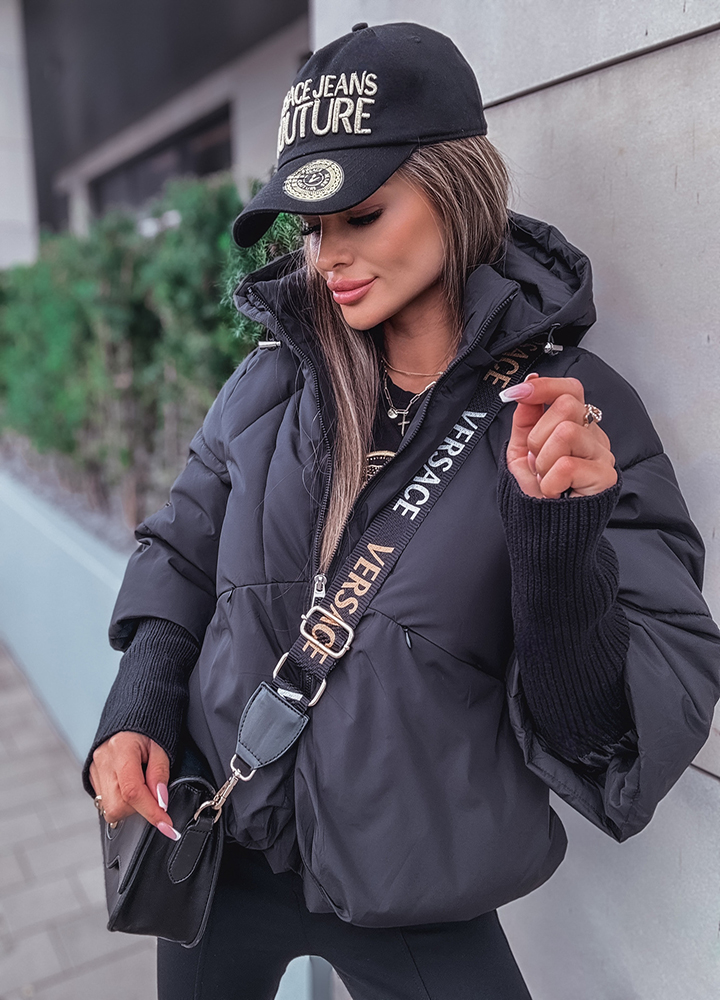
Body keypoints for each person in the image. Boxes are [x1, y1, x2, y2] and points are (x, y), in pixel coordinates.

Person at [84, 22, 720, 1000]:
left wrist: (558, 539)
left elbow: (598, 731)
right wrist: (137, 707)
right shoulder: (267, 386)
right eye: (312, 228)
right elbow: (182, 553)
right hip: (218, 846)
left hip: (423, 890)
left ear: (456, 190)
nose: (329, 258)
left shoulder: (572, 416)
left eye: (363, 214)